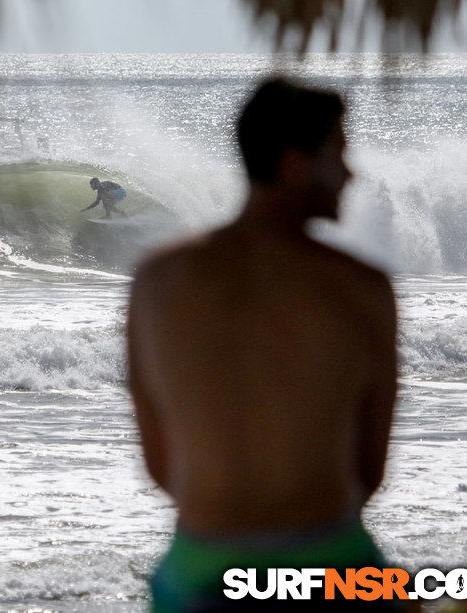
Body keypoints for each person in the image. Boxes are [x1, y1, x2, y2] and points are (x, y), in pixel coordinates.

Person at [127, 77, 399, 611]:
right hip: (332, 564)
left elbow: (160, 465)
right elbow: (370, 470)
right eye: (338, 154)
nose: (350, 173)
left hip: (203, 566)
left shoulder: (159, 280)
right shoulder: (361, 288)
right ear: (296, 165)